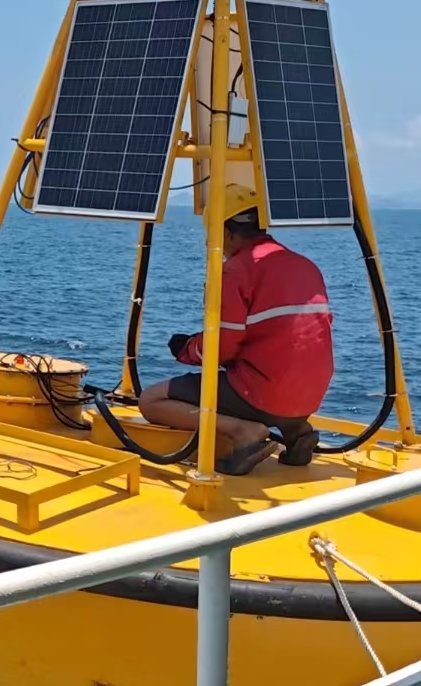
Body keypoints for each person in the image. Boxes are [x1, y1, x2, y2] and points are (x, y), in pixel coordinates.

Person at [138, 185, 333, 475]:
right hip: (311, 393)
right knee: (274, 380)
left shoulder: (238, 270)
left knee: (151, 400)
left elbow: (223, 346)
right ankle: (297, 431)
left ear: (226, 233)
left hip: (263, 394)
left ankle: (243, 431)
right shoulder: (306, 266)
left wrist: (188, 350)